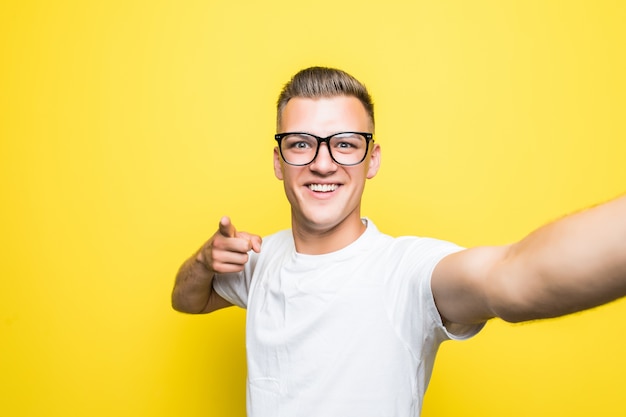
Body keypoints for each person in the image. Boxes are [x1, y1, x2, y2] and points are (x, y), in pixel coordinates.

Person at [172, 66, 626, 417]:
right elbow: (187, 299)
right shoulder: (258, 258)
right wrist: (205, 259)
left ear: (372, 159)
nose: (323, 164)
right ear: (279, 161)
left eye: (345, 144)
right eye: (301, 144)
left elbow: (514, 280)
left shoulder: (404, 271)